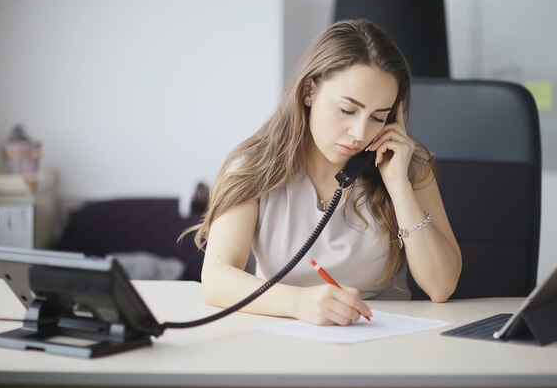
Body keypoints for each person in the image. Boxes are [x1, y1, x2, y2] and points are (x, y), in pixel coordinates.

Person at [187, 19, 461, 326]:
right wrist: (299, 303)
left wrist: (399, 185)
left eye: (378, 117)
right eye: (347, 110)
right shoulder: (253, 166)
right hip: (284, 338)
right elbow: (216, 280)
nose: (360, 134)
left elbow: (441, 287)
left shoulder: (408, 163)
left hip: (382, 342)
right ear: (309, 92)